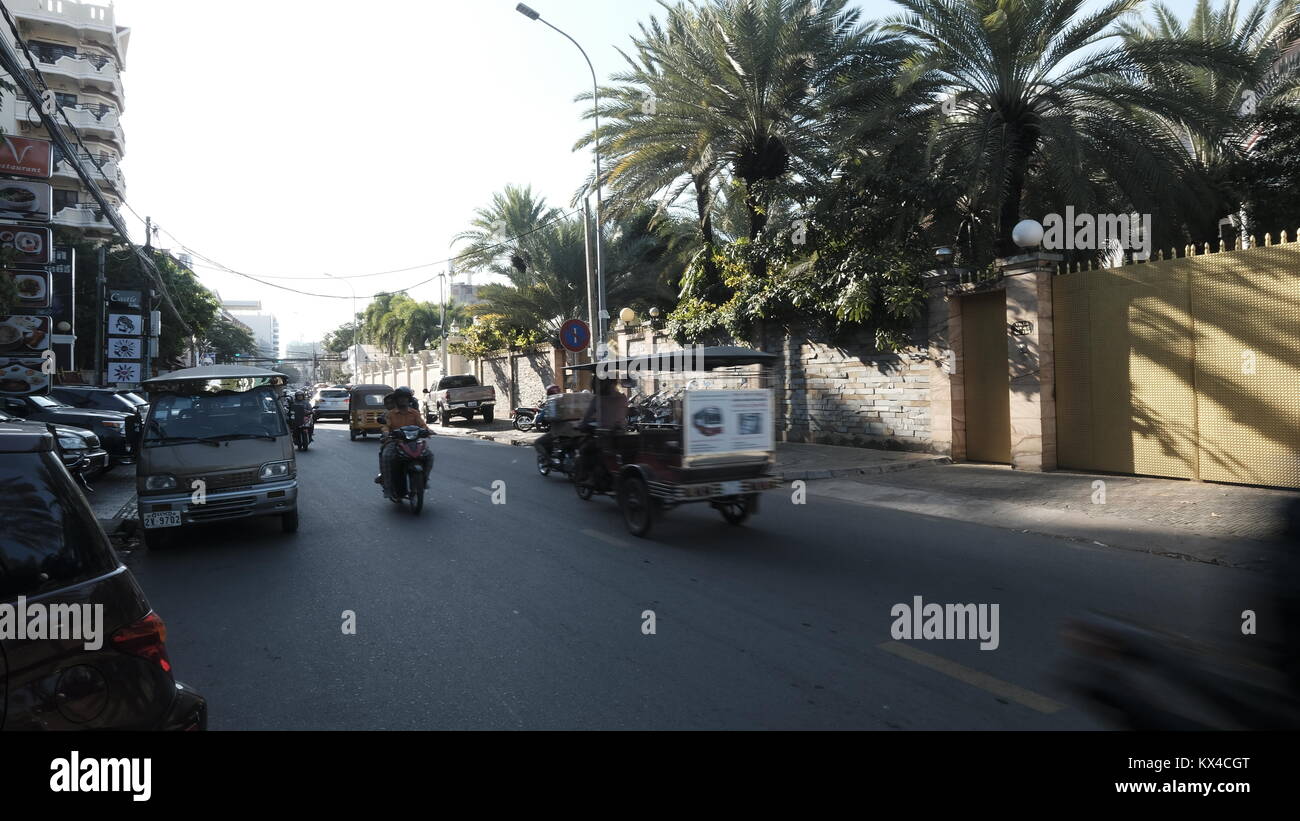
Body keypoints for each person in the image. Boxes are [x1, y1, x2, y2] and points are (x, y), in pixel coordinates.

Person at [375, 386, 431, 498]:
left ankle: (424, 479)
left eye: (405, 398)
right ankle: (388, 487)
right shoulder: (390, 414)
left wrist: (428, 431)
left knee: (429, 455)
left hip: (413, 441)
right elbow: (385, 426)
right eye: (400, 398)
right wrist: (386, 432)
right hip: (395, 441)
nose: (403, 400)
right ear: (396, 400)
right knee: (386, 455)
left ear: (409, 399)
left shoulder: (414, 413)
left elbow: (422, 425)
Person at [532, 384, 563, 460]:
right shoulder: (565, 401)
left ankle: (548, 460)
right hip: (572, 432)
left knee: (537, 443)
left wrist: (539, 418)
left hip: (557, 432)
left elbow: (540, 417)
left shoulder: (551, 403)